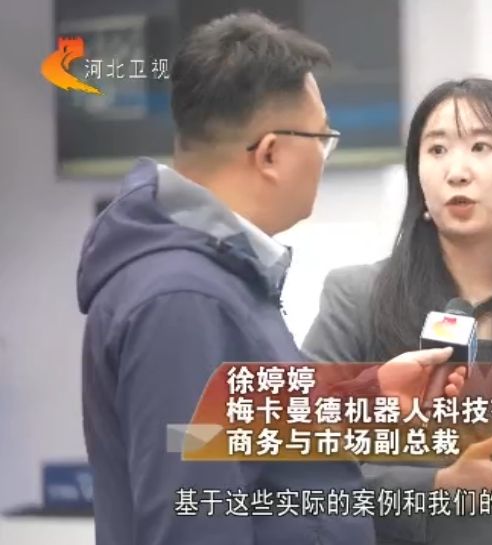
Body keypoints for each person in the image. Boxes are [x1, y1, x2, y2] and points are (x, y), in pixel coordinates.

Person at [76, 13, 467, 545]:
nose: (324, 158)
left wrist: (370, 396)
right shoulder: (183, 300)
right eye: (322, 138)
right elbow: (195, 522)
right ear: (271, 153)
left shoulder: (217, 276)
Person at [302, 78, 492, 545]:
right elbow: (302, 470)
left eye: (482, 147)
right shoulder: (357, 300)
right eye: (437, 149)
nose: (457, 172)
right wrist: (440, 486)